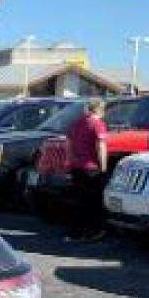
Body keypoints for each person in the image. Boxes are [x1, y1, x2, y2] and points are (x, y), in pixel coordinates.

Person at [65, 98, 109, 241]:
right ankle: (93, 232)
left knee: (79, 200)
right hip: (92, 168)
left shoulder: (75, 124)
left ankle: (74, 232)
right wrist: (103, 168)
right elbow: (100, 147)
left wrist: (71, 161)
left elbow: (68, 145)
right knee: (94, 202)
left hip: (77, 167)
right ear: (99, 109)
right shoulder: (98, 124)